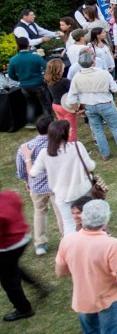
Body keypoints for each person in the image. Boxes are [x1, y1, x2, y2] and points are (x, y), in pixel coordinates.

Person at [55, 200, 117, 334]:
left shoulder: (67, 241)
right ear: (105, 221)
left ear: (83, 219)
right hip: (109, 297)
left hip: (82, 298)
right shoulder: (112, 244)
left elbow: (60, 272)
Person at [28, 120, 95, 237]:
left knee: (69, 224)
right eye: (69, 129)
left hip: (62, 195)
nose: (71, 130)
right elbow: (90, 166)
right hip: (83, 190)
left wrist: (27, 159)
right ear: (64, 133)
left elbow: (32, 173)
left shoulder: (45, 153)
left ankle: (72, 248)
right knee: (90, 219)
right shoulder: (77, 146)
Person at [66, 51, 117, 158]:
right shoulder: (103, 73)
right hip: (105, 104)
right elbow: (116, 89)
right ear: (93, 62)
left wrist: (77, 110)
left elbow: (71, 98)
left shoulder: (77, 77)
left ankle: (105, 154)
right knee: (115, 127)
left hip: (89, 106)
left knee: (98, 130)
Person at [15, 116, 63, 255]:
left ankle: (40, 244)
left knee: (39, 213)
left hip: (36, 186)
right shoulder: (57, 144)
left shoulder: (25, 147)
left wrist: (26, 181)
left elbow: (21, 168)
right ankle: (66, 239)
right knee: (60, 213)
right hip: (56, 185)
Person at [0, 181, 46, 322]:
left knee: (8, 281)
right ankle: (38, 286)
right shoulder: (10, 195)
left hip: (9, 246)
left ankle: (24, 309)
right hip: (23, 237)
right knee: (11, 267)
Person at [8, 37, 48, 120]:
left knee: (30, 103)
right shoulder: (35, 57)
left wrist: (19, 79)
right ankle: (48, 118)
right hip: (38, 83)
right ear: (28, 45)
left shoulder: (13, 60)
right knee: (44, 102)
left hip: (24, 85)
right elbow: (46, 67)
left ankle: (30, 121)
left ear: (18, 46)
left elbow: (10, 74)